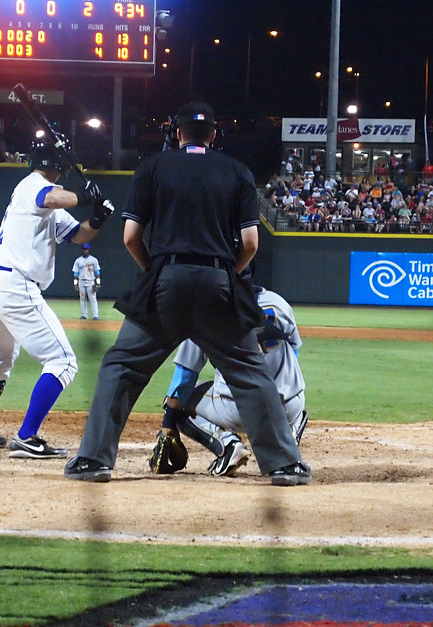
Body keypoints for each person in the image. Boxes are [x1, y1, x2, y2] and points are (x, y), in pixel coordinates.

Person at [63, 102, 310, 486]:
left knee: (121, 366)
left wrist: (156, 272)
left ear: (177, 134)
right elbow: (250, 242)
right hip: (219, 283)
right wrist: (231, 276)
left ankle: (93, 460)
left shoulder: (152, 167)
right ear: (213, 135)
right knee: (249, 371)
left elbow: (130, 237)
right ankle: (284, 465)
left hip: (165, 281)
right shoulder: (237, 172)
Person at [0, 139, 115, 459]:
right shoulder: (34, 186)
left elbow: (79, 235)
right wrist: (86, 196)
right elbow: (53, 196)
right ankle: (27, 437)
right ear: (58, 166)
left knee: (0, 361)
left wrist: (97, 217)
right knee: (64, 361)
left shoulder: (45, 204)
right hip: (15, 285)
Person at [149, 286, 308, 478]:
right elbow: (294, 351)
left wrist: (169, 422)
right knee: (290, 389)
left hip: (240, 410)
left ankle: (227, 446)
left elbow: (185, 375)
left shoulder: (204, 310)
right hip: (291, 405)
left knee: (181, 403)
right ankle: (287, 437)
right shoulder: (279, 302)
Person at [71, 243, 101, 320]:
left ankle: (95, 315)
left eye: (86, 249)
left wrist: (98, 283)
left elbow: (97, 272)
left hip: (91, 281)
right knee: (82, 298)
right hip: (81, 281)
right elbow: (75, 273)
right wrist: (75, 283)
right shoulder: (78, 260)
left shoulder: (93, 260)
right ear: (82, 250)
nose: (85, 251)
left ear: (89, 250)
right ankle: (84, 315)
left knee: (92, 298)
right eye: (84, 249)